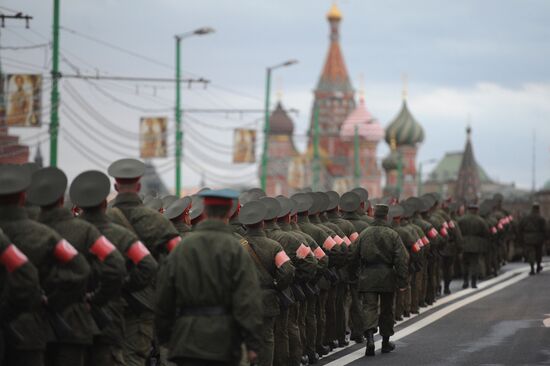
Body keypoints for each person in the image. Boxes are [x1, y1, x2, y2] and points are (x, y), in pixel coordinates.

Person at [27, 167, 127, 366]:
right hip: (74, 321)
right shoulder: (85, 231)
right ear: (61, 200)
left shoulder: (26, 233)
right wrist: (96, 298)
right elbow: (115, 266)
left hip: (30, 326)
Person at [156, 189, 263, 366]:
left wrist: (165, 337)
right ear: (230, 211)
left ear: (204, 211)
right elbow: (248, 299)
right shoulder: (237, 249)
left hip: (186, 340)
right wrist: (252, 343)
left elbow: (164, 296)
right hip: (225, 342)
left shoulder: (182, 247)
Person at [0, 164, 90, 366]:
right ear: (23, 197)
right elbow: (80, 269)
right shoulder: (45, 235)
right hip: (31, 329)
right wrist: (52, 300)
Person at [70, 170, 159, 366]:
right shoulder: (121, 235)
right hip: (110, 317)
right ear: (104, 203)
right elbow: (147, 265)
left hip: (72, 321)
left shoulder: (65, 234)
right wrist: (123, 286)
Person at [106, 158, 181, 366]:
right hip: (145, 303)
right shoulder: (158, 221)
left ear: (115, 186)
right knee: (135, 358)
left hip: (109, 301)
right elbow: (177, 260)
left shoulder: (104, 220)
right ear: (138, 186)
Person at [239, 200, 295, 366]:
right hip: (267, 300)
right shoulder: (274, 246)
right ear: (262, 223)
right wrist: (277, 286)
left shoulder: (236, 246)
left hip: (244, 301)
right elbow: (288, 270)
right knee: (267, 339)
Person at [353, 204, 408, 357]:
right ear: (386, 216)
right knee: (386, 310)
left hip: (367, 276)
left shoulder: (364, 233)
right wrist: (402, 280)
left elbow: (353, 255)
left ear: (374, 215)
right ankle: (385, 342)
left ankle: (370, 339)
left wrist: (353, 275)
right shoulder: (392, 234)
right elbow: (401, 259)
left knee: (369, 308)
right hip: (387, 276)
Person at [457, 203, 490, 288]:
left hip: (464, 244)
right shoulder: (480, 220)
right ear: (476, 210)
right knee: (474, 264)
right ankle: (473, 283)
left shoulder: (461, 219)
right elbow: (486, 233)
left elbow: (457, 232)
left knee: (465, 264)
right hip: (476, 245)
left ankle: (465, 282)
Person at [518, 203, 546, 275]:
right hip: (538, 238)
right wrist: (546, 238)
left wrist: (521, 238)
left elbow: (520, 228)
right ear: (538, 209)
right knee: (538, 253)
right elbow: (545, 229)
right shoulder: (541, 218)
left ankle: (532, 268)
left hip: (528, 238)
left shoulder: (525, 218)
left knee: (530, 253)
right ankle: (538, 266)